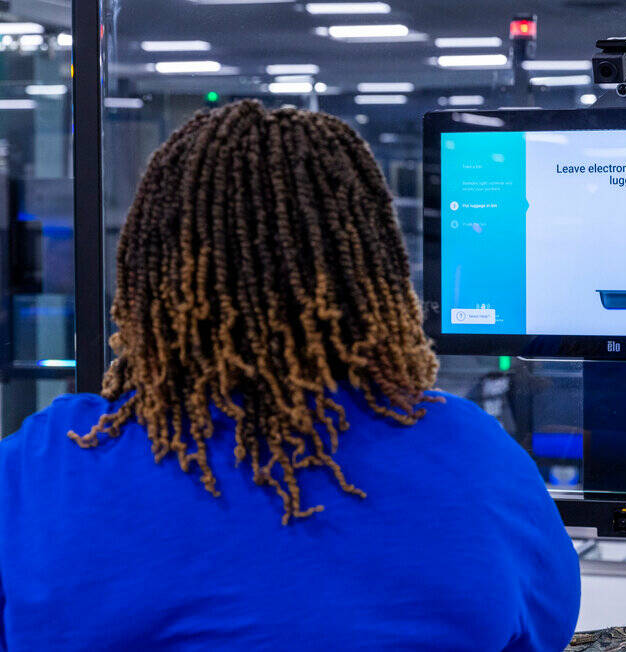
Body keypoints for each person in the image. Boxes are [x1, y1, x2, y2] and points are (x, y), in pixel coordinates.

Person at [0, 101, 580, 650]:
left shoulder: (46, 464)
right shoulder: (476, 460)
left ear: (148, 278)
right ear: (373, 273)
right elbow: (542, 632)